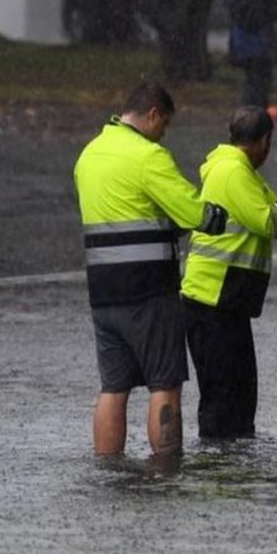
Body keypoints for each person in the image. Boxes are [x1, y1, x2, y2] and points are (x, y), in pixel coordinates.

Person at [73, 82, 228, 457]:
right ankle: (166, 466)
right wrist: (215, 216)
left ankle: (108, 465)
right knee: (165, 382)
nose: (164, 133)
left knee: (113, 385)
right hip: (148, 291)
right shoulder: (147, 156)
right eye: (165, 125)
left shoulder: (89, 155)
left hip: (103, 291)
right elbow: (192, 211)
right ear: (154, 113)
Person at [180, 106, 277, 439]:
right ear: (263, 141)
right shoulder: (232, 172)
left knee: (241, 392)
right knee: (223, 395)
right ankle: (218, 467)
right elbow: (270, 222)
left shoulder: (243, 173)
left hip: (230, 301)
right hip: (211, 299)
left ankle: (235, 466)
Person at [228, 0, 277, 107]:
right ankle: (256, 114)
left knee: (252, 79)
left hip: (241, 40)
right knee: (261, 81)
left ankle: (249, 112)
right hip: (261, 40)